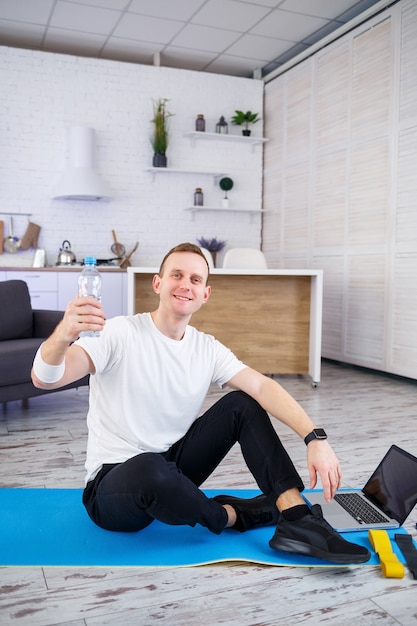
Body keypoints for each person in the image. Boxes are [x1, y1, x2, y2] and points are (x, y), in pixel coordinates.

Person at [32, 242, 370, 564]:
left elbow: (263, 387)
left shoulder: (206, 348)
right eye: (176, 275)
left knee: (242, 403)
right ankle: (232, 515)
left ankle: (298, 519)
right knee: (150, 467)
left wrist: (314, 438)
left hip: (173, 468)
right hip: (113, 486)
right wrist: (63, 334)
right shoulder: (120, 333)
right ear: (157, 283)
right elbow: (46, 378)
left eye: (196, 279)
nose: (185, 285)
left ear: (205, 294)